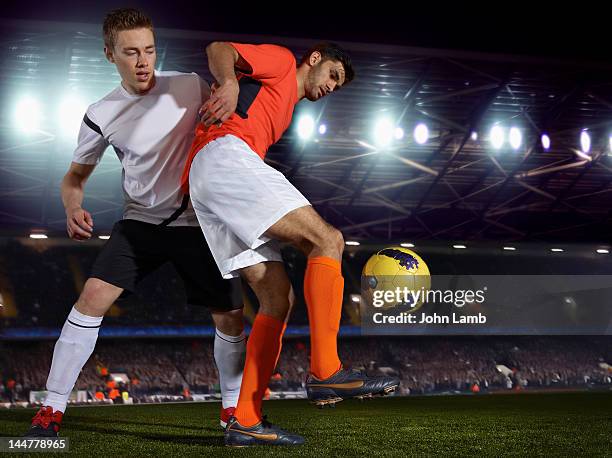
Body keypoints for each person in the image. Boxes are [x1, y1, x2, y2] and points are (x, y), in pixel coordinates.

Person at [25, 8, 246, 437]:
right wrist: (73, 207)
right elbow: (74, 178)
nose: (143, 61)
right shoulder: (100, 113)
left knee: (231, 317)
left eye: (149, 49)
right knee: (90, 297)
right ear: (110, 55)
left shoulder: (189, 86)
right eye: (131, 52)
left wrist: (231, 88)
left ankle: (233, 411)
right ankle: (50, 411)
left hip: (198, 223)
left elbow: (232, 132)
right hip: (140, 223)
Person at [183, 40, 399, 446]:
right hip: (226, 157)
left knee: (277, 297)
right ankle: (326, 371)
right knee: (328, 240)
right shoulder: (283, 63)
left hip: (208, 182)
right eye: (333, 74)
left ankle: (245, 420)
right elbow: (218, 48)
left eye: (340, 85)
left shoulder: (283, 107)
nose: (333, 86)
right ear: (314, 59)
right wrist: (228, 83)